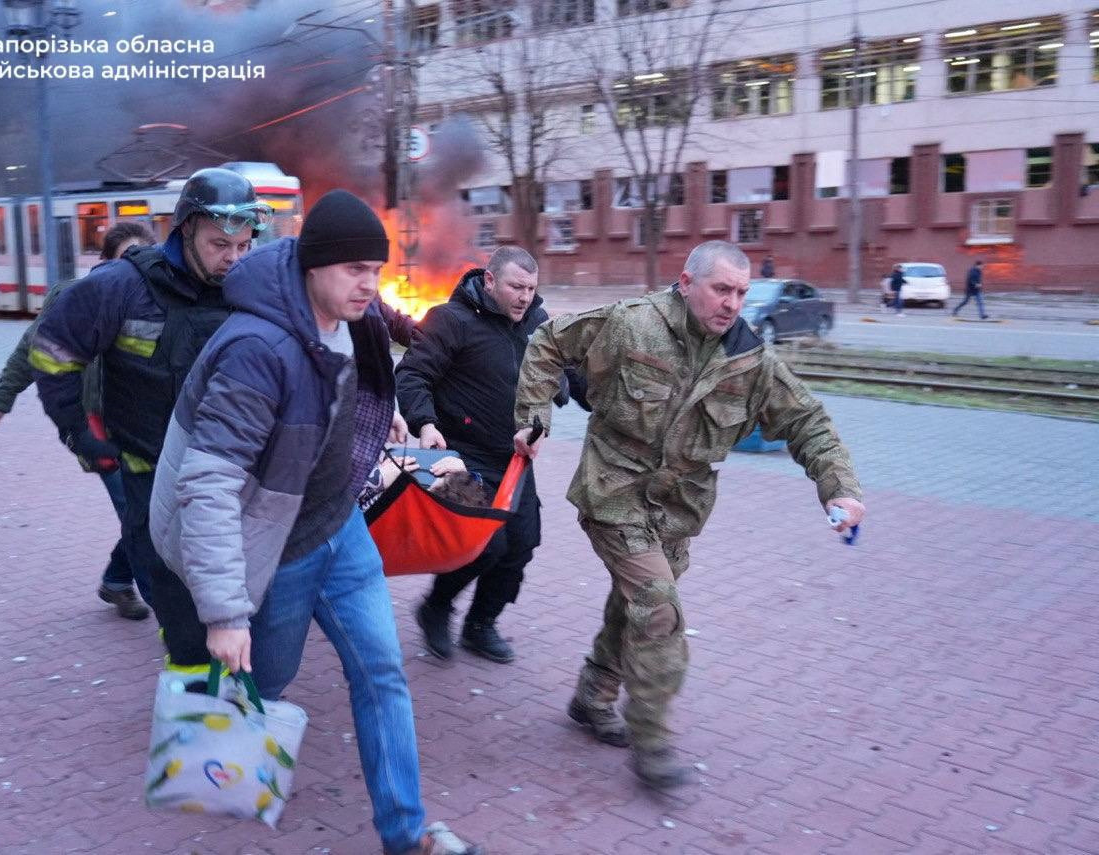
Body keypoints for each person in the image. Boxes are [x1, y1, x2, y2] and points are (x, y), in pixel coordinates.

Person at [147, 189, 482, 855]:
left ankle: (407, 833)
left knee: (382, 669)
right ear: (312, 267)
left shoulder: (352, 315)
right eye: (356, 269)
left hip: (339, 526)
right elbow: (207, 482)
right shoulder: (254, 347)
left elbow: (349, 379)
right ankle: (208, 743)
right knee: (259, 680)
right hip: (277, 542)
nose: (370, 284)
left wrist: (377, 412)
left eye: (377, 270)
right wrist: (223, 613)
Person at [511, 239, 866, 790]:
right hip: (614, 491)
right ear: (686, 282)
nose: (732, 303)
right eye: (721, 288)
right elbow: (548, 342)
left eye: (742, 293)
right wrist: (534, 417)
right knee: (658, 610)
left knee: (634, 605)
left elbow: (808, 423)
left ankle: (592, 697)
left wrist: (838, 489)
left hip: (679, 513)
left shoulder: (751, 360)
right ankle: (651, 741)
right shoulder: (633, 324)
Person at [30, 167, 271, 612]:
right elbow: (52, 353)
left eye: (243, 245)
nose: (234, 259)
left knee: (240, 598)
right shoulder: (120, 287)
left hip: (233, 478)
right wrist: (78, 432)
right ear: (185, 230)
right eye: (219, 244)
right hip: (152, 477)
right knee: (176, 606)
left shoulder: (256, 288)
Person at [0, 220, 155, 620]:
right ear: (107, 259)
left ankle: (115, 581)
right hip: (98, 428)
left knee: (144, 515)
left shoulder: (154, 299)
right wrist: (0, 399)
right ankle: (173, 622)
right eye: (127, 255)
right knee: (141, 519)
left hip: (144, 427)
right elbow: (33, 347)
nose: (136, 264)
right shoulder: (76, 297)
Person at [395, 246, 548, 665]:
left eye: (531, 289)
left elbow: (565, 373)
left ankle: (481, 625)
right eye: (516, 287)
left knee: (520, 545)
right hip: (462, 457)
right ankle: (436, 607)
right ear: (490, 281)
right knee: (485, 544)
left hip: (516, 458)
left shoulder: (538, 324)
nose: (524, 297)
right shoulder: (450, 321)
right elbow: (412, 375)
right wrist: (424, 424)